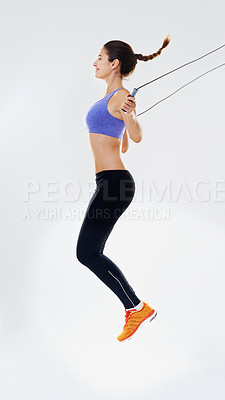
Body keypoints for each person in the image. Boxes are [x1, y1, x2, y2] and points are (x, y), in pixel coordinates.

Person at [76, 36, 170, 342]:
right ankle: (135, 307)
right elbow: (124, 144)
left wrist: (130, 115)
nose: (95, 62)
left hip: (115, 183)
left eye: (100, 58)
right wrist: (124, 120)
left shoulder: (121, 97)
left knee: (87, 252)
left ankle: (136, 307)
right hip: (109, 182)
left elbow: (137, 137)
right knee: (89, 252)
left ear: (114, 64)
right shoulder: (110, 98)